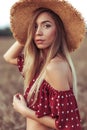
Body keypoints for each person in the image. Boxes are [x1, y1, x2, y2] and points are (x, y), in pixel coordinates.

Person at [3, 0, 85, 130]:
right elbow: (8, 57)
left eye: (46, 26)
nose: (38, 32)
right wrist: (26, 33)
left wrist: (24, 111)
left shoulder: (54, 67)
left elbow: (69, 124)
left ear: (59, 31)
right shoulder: (40, 65)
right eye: (35, 26)